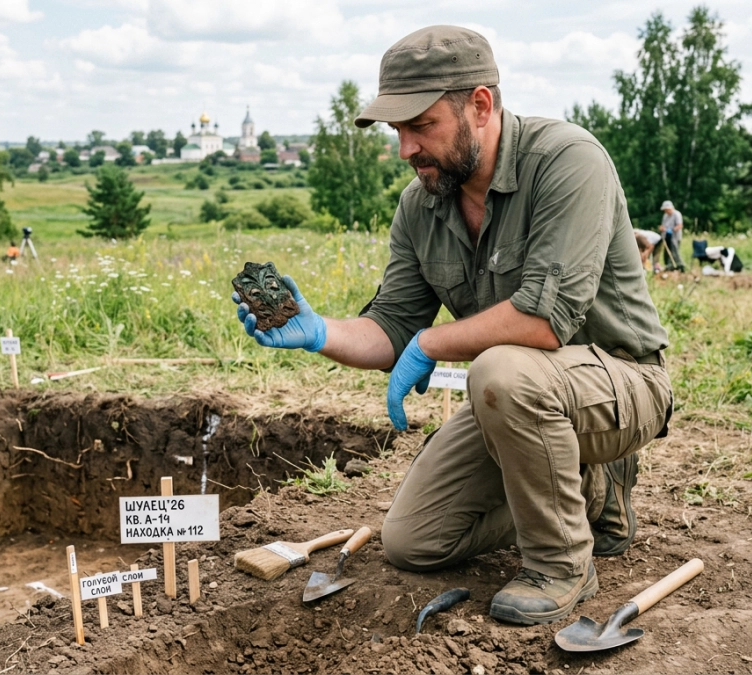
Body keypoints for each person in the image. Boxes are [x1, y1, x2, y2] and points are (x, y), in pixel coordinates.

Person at [233, 26, 672, 627]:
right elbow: (391, 326)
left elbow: (545, 322)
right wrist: (320, 333)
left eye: (422, 126)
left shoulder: (568, 161)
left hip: (619, 385)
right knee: (413, 541)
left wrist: (432, 342)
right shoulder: (423, 203)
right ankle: (592, 496)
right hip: (520, 403)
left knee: (499, 370)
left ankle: (560, 564)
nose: (406, 148)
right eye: (397, 132)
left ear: (481, 105)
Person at [659, 201, 685, 271]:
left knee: (675, 252)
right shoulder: (665, 216)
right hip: (666, 237)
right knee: (667, 253)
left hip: (675, 237)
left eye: (666, 210)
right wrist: (662, 228)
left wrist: (671, 230)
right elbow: (663, 225)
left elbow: (679, 225)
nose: (665, 211)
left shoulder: (677, 214)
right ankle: (669, 266)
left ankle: (680, 266)